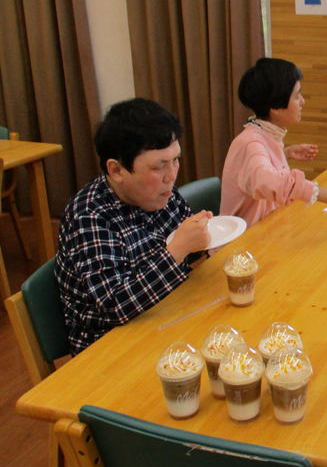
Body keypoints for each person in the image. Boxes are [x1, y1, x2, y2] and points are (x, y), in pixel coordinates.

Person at [56, 99, 212, 355]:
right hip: (111, 350)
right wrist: (177, 250)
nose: (171, 175)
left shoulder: (162, 193)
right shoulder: (90, 216)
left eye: (175, 160)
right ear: (116, 170)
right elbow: (114, 305)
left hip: (165, 319)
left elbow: (192, 254)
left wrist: (204, 239)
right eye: (159, 165)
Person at [220, 57, 327, 230]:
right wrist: (326, 195)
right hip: (242, 249)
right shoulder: (250, 143)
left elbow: (256, 169)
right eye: (297, 96)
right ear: (275, 107)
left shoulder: (260, 134)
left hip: (268, 231)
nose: (303, 102)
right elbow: (270, 182)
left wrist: (286, 153)